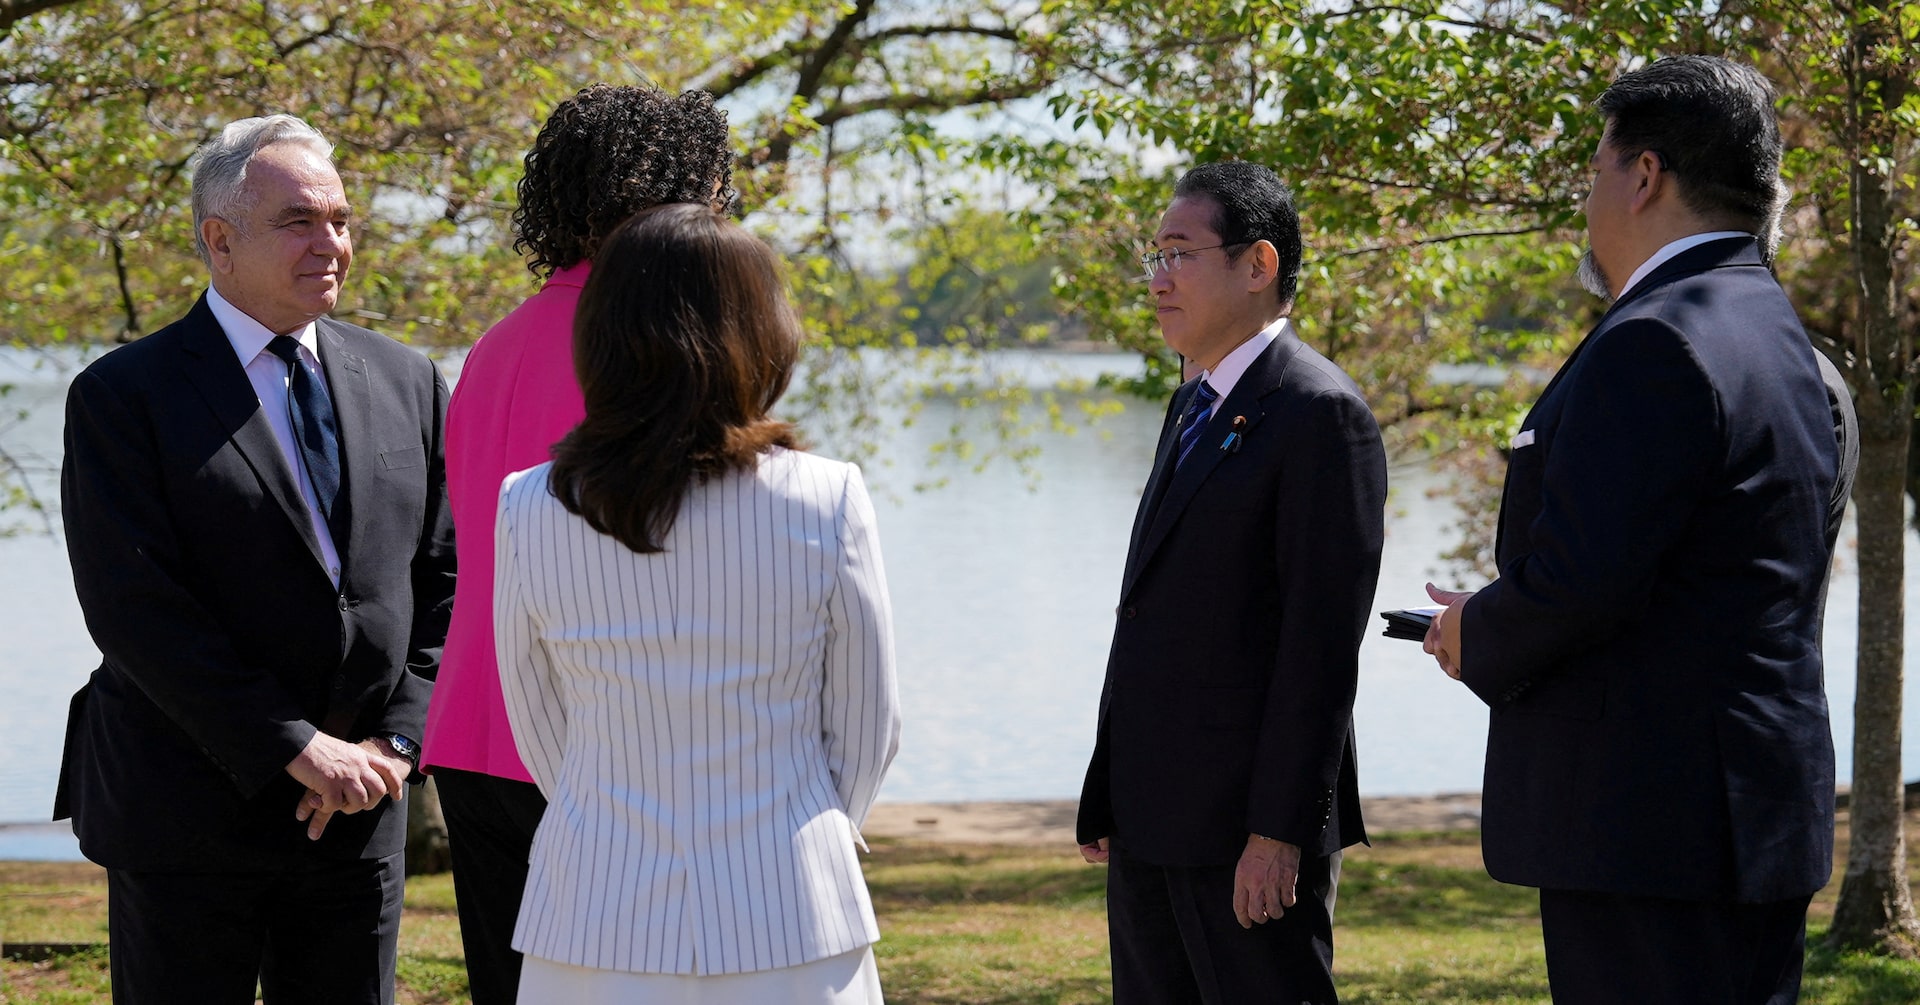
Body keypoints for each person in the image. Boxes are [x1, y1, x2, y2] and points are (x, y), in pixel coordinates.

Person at [1422, 55, 1857, 1003]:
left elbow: (1588, 582)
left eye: (1593, 172)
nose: (1587, 201)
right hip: (1748, 817)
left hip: (1648, 830)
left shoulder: (1658, 338)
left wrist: (1475, 632)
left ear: (1645, 175)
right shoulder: (1783, 340)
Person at [54, 114, 456, 1003]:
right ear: (219, 240)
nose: (332, 243)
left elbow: (446, 581)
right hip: (187, 820)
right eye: (300, 222)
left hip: (357, 816)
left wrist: (393, 743)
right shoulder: (123, 396)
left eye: (342, 219)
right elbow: (135, 610)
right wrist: (294, 746)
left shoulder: (409, 380)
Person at [493, 202, 901, 1002]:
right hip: (794, 913)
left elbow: (540, 727)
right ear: (763, 334)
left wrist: (606, 812)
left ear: (601, 335)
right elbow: (867, 725)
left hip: (592, 913)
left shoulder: (527, 504)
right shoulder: (829, 498)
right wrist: (805, 825)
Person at [420, 83, 737, 1005]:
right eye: (709, 200)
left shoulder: (492, 346)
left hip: (476, 733)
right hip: (599, 744)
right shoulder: (659, 350)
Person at [1076, 161, 1388, 1004]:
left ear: (1259, 265)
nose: (1159, 276)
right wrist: (1109, 786)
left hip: (1243, 828)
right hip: (1152, 812)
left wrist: (1279, 830)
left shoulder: (1319, 412)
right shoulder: (1191, 402)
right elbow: (1150, 610)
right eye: (1155, 255)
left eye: (1180, 252)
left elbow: (1319, 649)